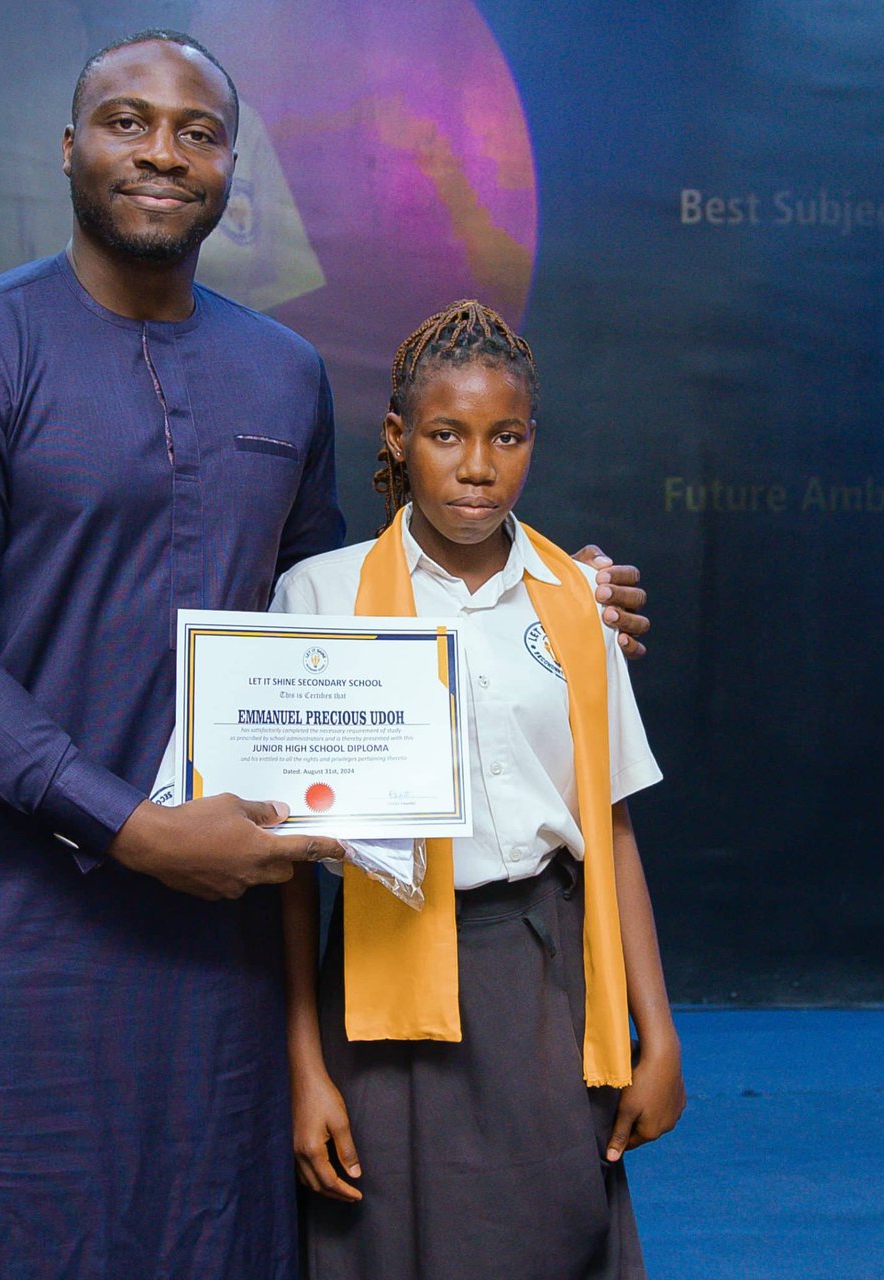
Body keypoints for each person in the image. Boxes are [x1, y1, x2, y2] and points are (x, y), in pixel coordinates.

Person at [0, 30, 652, 1280]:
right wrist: (129, 825)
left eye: (199, 132)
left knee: (216, 1233)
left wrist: (555, 585)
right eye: (127, 122)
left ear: (234, 166)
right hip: (11, 917)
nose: (163, 153)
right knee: (3, 1231)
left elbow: (345, 629)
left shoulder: (279, 374)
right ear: (66, 149)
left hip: (221, 934)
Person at [277, 302, 685, 1280]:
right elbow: (286, 869)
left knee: (550, 1228)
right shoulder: (321, 598)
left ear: (532, 440)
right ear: (397, 437)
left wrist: (660, 1033)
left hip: (540, 970)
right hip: (381, 971)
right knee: (386, 1238)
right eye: (445, 434)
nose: (476, 466)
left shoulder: (575, 598)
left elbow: (609, 824)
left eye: (505, 437)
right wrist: (303, 1066)